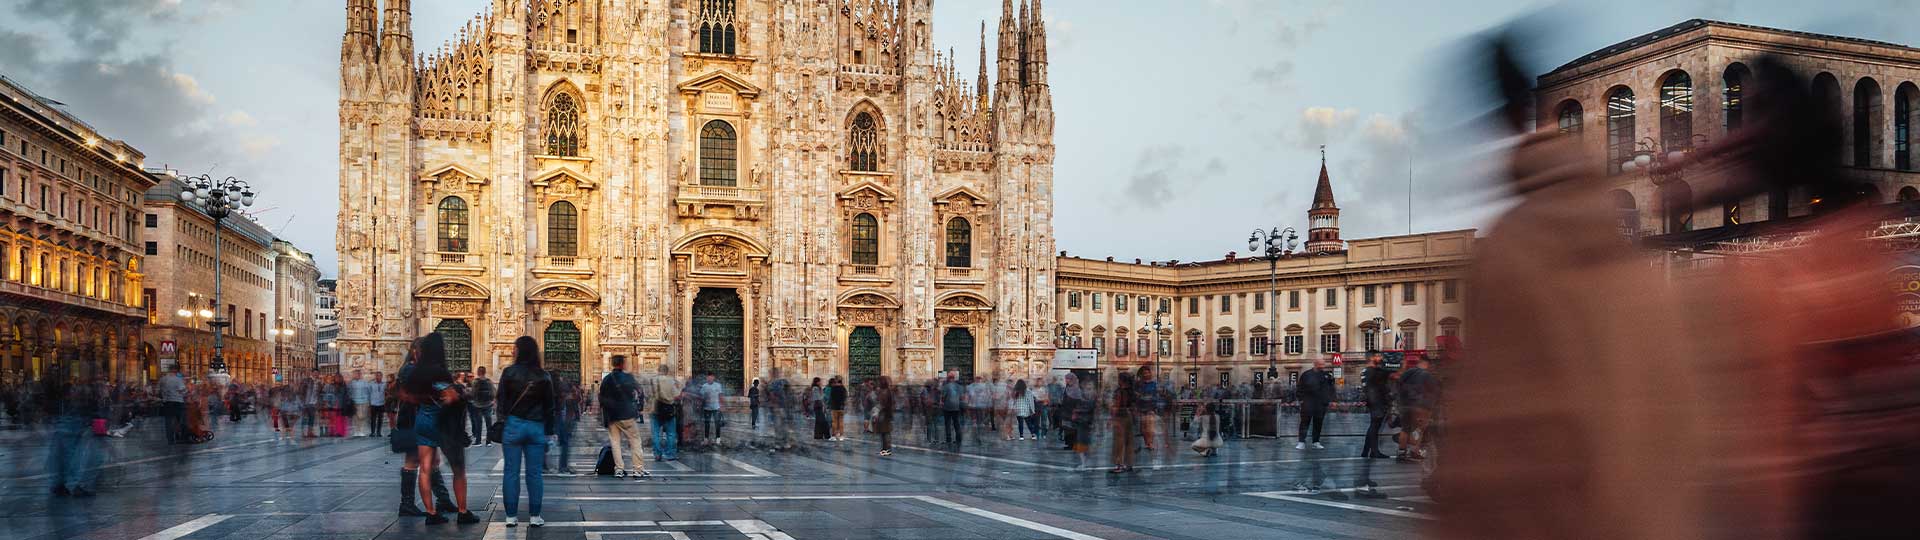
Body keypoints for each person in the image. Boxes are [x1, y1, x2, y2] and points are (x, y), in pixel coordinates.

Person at [404, 332, 479, 525]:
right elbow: (449, 397)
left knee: (425, 468)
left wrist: (423, 400)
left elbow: (406, 395)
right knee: (458, 469)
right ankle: (462, 512)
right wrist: (459, 394)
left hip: (423, 420)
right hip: (443, 423)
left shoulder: (415, 372)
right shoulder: (439, 371)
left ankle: (431, 513)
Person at [497, 336, 557, 528]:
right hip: (536, 426)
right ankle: (534, 516)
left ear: (520, 350)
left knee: (511, 472)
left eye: (515, 348)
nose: (512, 351)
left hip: (514, 425)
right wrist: (550, 431)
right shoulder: (544, 375)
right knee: (534, 473)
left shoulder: (508, 372)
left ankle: (511, 516)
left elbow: (501, 400)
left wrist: (505, 419)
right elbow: (550, 406)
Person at [392, 341, 455, 519]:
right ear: (415, 352)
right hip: (412, 419)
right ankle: (407, 503)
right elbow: (412, 394)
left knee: (433, 459)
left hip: (416, 417)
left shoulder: (413, 369)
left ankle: (442, 499)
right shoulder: (410, 369)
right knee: (413, 460)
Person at [598, 355, 649, 478]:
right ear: (622, 364)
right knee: (635, 441)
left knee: (615, 443)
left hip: (612, 416)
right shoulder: (628, 377)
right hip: (626, 415)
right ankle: (638, 469)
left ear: (613, 364)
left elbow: (601, 396)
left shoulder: (607, 379)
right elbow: (638, 390)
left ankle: (619, 469)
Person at [1393, 356, 1435, 461]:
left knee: (1405, 429)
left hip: (1404, 405)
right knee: (1419, 429)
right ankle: (1415, 451)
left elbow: (1398, 385)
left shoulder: (1408, 372)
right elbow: (1433, 392)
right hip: (1419, 406)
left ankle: (1401, 452)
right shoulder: (1427, 375)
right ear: (1427, 364)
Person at [1295, 357, 1334, 450]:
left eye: (1323, 364)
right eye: (1320, 364)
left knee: (1318, 423)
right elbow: (1300, 388)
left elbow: (1331, 388)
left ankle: (1316, 441)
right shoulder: (1306, 374)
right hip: (1308, 403)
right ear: (1315, 364)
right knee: (1304, 422)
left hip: (1321, 404)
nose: (1322, 366)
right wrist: (1301, 400)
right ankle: (1301, 442)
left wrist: (1330, 400)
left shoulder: (1327, 375)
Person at [1359, 354, 1393, 459]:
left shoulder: (1367, 371)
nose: (1380, 358)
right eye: (1378, 356)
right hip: (1377, 402)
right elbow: (1383, 377)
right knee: (1374, 427)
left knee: (1374, 426)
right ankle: (1374, 452)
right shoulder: (1372, 371)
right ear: (1372, 358)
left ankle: (1366, 451)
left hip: (1374, 401)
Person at [648, 363, 682, 461]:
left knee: (656, 433)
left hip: (656, 409)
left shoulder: (653, 380)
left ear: (658, 370)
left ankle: (657, 454)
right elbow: (677, 395)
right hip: (669, 409)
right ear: (667, 371)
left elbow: (649, 395)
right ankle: (670, 454)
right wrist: (679, 387)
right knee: (671, 433)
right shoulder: (671, 381)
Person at [1063, 373, 1095, 468]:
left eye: (1089, 387)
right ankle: (1084, 462)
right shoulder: (1077, 392)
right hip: (1080, 420)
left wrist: (1076, 411)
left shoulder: (1080, 393)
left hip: (1084, 420)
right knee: (1081, 440)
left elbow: (1087, 406)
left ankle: (1085, 463)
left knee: (1083, 441)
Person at [1109, 372, 1139, 473]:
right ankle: (1129, 464)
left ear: (1121, 380)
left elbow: (1116, 405)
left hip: (1120, 416)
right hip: (1129, 416)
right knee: (1129, 442)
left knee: (1119, 442)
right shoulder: (1132, 391)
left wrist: (1111, 418)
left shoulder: (1120, 391)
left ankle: (1119, 465)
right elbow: (1134, 406)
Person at [468, 365, 496, 448]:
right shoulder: (489, 381)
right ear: (485, 372)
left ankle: (478, 441)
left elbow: (472, 393)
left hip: (477, 405)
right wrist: (492, 401)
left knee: (478, 423)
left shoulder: (475, 381)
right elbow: (494, 392)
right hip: (488, 405)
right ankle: (488, 442)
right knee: (488, 424)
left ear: (478, 372)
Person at [1135, 367, 1161, 451]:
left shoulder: (1154, 384)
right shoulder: (1139, 384)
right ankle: (1147, 443)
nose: (1146, 374)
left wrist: (1155, 406)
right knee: (1143, 428)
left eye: (1147, 372)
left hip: (1151, 407)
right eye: (1144, 373)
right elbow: (1136, 395)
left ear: (1150, 374)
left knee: (1150, 427)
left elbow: (1156, 395)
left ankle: (1150, 443)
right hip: (1141, 407)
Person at [159, 367, 186, 444]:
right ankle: (178, 436)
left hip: (167, 402)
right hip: (177, 402)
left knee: (168, 421)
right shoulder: (178, 379)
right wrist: (184, 392)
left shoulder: (162, 379)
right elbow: (182, 390)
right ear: (175, 371)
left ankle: (170, 439)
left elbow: (158, 390)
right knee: (179, 420)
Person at [872, 376, 896, 456]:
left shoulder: (885, 392)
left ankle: (886, 449)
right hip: (885, 413)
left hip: (884, 414)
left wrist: (878, 409)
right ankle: (884, 448)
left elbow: (883, 403)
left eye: (879, 381)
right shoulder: (885, 391)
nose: (878, 383)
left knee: (885, 432)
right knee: (884, 432)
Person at [939, 371, 965, 445]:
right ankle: (958, 439)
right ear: (954, 378)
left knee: (947, 423)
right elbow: (962, 397)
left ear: (948, 378)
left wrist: (942, 402)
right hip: (956, 407)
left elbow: (943, 397)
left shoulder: (946, 386)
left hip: (947, 407)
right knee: (956, 423)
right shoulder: (959, 387)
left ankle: (948, 439)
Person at [699, 373, 724, 445]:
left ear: (713, 378)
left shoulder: (718, 385)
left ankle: (718, 440)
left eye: (711, 378)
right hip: (707, 408)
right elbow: (701, 397)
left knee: (717, 424)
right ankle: (706, 439)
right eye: (708, 378)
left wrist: (721, 405)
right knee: (707, 424)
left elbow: (720, 395)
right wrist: (704, 400)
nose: (709, 379)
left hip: (716, 407)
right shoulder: (704, 386)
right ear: (706, 378)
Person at [826, 376, 847, 441]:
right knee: (841, 422)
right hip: (841, 407)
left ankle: (834, 436)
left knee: (834, 422)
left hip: (834, 407)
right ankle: (841, 436)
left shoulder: (833, 388)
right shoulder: (843, 388)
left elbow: (831, 397)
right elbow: (845, 397)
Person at [368, 371, 386, 437]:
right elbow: (369, 393)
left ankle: (379, 432)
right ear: (375, 376)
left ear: (382, 376)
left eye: (380, 375)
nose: (378, 377)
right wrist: (369, 403)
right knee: (373, 419)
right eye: (377, 375)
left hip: (381, 403)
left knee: (380, 419)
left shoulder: (385, 384)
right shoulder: (371, 384)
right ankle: (372, 432)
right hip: (373, 404)